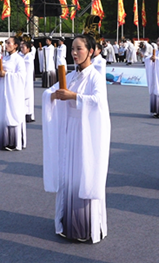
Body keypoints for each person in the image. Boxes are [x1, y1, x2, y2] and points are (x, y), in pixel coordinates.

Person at [42, 34, 111, 243]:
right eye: (73, 48)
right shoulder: (71, 76)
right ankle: (68, 222)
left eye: (79, 49)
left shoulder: (95, 76)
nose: (74, 53)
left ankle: (84, 226)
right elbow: (49, 92)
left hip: (86, 133)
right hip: (70, 131)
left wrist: (73, 97)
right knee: (69, 175)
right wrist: (54, 96)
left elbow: (98, 101)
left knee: (84, 174)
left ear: (91, 51)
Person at [0, 37, 27, 151]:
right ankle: (4, 140)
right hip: (3, 91)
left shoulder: (19, 60)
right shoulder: (5, 58)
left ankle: (13, 142)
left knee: (12, 114)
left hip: (13, 93)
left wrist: (7, 75)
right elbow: (0, 71)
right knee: (4, 113)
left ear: (15, 46)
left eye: (9, 43)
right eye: (6, 43)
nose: (6, 45)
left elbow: (21, 77)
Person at [21, 41, 36, 123]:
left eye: (23, 48)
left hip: (28, 79)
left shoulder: (29, 57)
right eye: (21, 48)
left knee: (28, 96)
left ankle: (29, 114)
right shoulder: (22, 56)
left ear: (28, 49)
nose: (22, 49)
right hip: (23, 79)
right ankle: (24, 113)